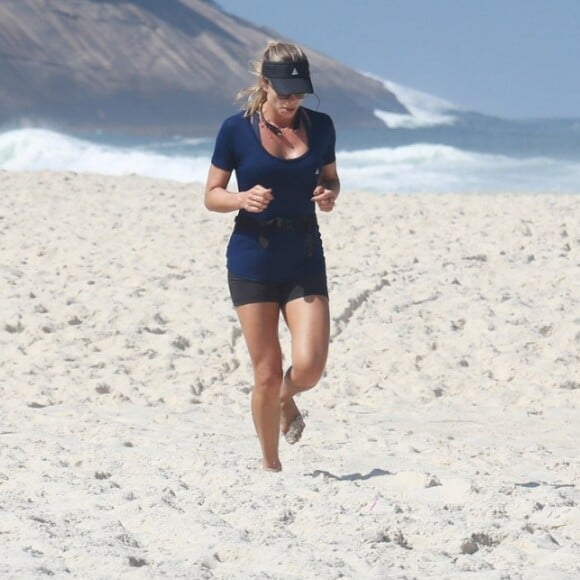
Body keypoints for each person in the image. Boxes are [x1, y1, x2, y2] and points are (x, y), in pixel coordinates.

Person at [204, 40, 340, 472]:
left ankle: (285, 399)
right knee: (266, 370)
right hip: (253, 258)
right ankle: (271, 465)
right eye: (284, 94)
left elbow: (333, 179)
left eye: (299, 93)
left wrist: (328, 194)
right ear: (265, 85)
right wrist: (242, 198)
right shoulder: (235, 129)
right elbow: (212, 196)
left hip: (303, 253)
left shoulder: (321, 127)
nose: (292, 101)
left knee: (310, 367)